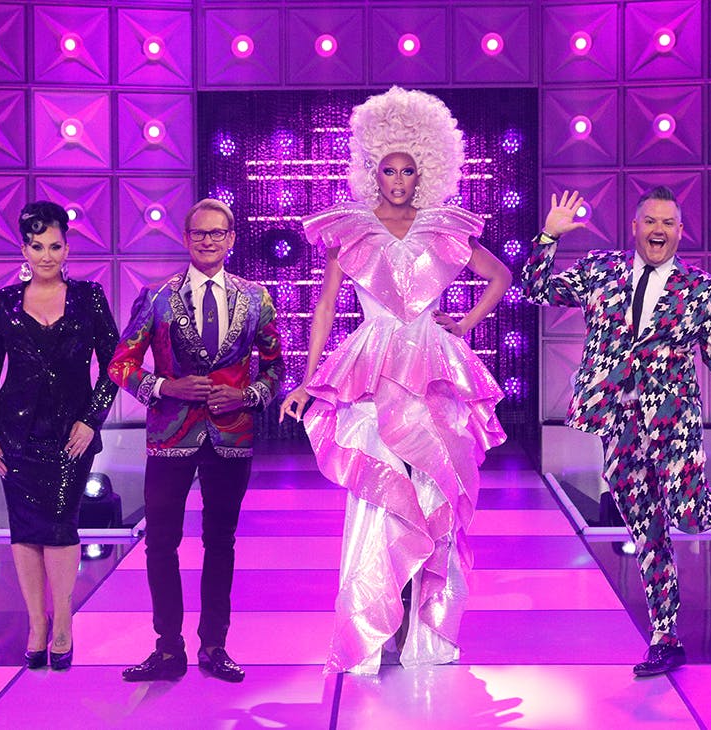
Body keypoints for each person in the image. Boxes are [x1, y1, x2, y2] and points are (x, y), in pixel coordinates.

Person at [522, 186, 711, 677]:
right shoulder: (600, 269)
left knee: (690, 516)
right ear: (635, 227)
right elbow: (535, 289)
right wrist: (548, 235)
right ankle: (666, 638)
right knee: (649, 531)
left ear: (680, 231)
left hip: (672, 417)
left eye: (668, 223)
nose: (658, 230)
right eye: (650, 221)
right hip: (616, 418)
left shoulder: (699, 288)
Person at [279, 87, 510, 675]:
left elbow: (500, 275)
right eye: (389, 169)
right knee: (379, 496)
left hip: (433, 365)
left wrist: (464, 323)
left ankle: (425, 636)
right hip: (369, 368)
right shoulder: (349, 230)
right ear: (372, 171)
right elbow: (326, 307)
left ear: (423, 171)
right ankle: (374, 631)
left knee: (434, 493)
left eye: (409, 170)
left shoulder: (443, 227)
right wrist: (308, 381)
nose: (399, 179)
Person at [110, 198, 284, 683]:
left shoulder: (257, 298)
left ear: (231, 240)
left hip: (231, 436)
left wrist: (247, 396)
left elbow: (275, 367)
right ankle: (168, 649)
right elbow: (120, 364)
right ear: (186, 239)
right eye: (199, 233)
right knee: (160, 543)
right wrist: (166, 387)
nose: (208, 240)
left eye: (217, 232)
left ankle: (214, 646)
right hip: (170, 435)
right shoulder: (156, 297)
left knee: (220, 542)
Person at [0, 200, 120, 671]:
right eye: (37, 246)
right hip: (14, 434)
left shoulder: (89, 298)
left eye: (55, 245)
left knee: (60, 525)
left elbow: (116, 365)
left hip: (71, 435)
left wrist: (91, 420)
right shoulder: (6, 303)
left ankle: (63, 625)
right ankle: (37, 624)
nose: (46, 255)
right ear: (24, 249)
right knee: (25, 530)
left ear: (67, 247)